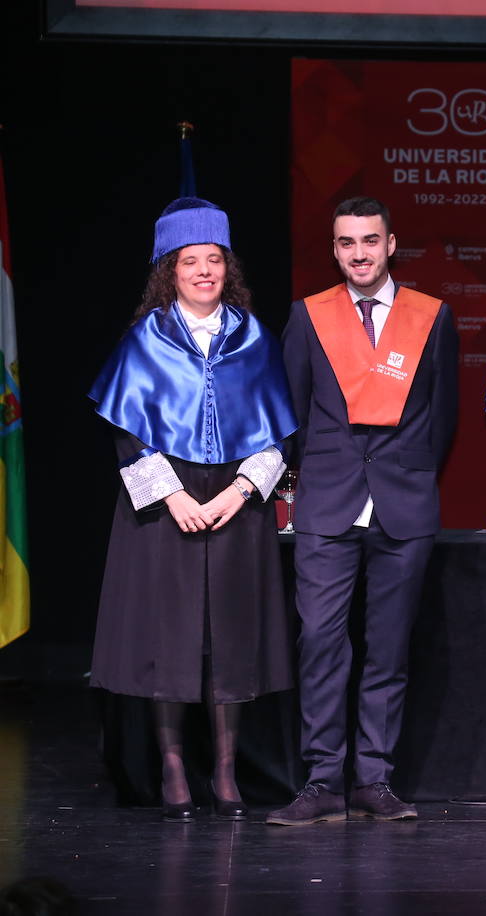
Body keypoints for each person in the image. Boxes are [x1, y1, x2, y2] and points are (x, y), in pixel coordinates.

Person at [89, 197, 297, 822]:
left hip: (238, 506)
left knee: (231, 639)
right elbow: (128, 433)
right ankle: (174, 763)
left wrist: (239, 492)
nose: (203, 271)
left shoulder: (254, 338)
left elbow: (276, 433)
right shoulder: (144, 341)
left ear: (226, 268)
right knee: (167, 638)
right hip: (161, 511)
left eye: (213, 260)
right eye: (189, 262)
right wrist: (173, 495)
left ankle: (228, 770)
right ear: (169, 272)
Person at [268, 196, 459, 826]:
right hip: (327, 503)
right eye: (346, 242)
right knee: (321, 641)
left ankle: (374, 778)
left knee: (388, 648)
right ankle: (323, 779)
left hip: (403, 504)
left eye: (369, 241)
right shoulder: (308, 316)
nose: (359, 253)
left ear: (390, 242)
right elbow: (290, 412)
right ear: (334, 248)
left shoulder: (431, 316)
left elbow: (443, 417)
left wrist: (408, 472)